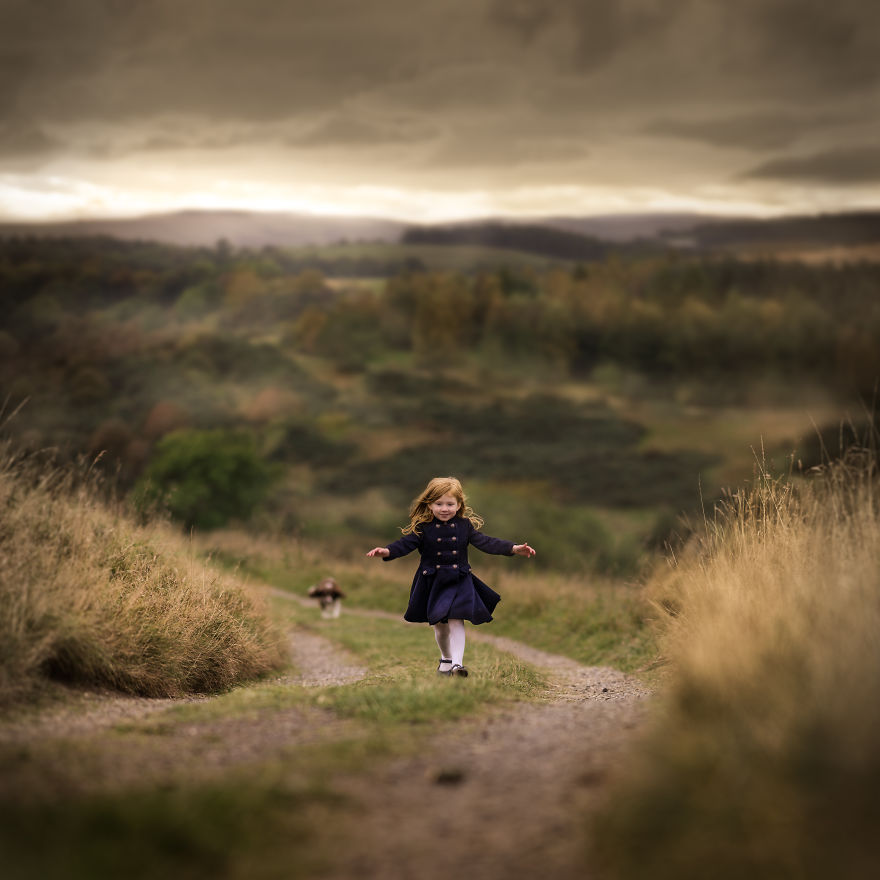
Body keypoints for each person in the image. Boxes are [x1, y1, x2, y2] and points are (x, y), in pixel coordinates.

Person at [366, 476, 535, 677]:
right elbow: (405, 544)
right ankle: (446, 659)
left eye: (449, 504)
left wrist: (513, 548)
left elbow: (486, 542)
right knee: (440, 626)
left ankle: (457, 665)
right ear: (429, 505)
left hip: (459, 579)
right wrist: (386, 551)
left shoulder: (465, 526)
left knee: (457, 619)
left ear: (459, 504)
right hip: (433, 581)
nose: (444, 509)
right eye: (439, 504)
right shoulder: (423, 528)